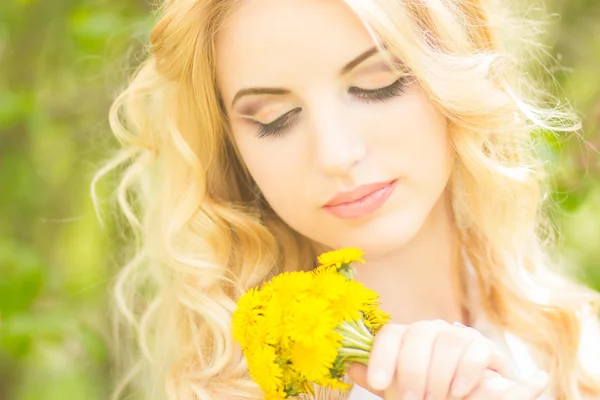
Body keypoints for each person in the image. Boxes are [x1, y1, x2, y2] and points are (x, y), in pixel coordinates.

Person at [93, 0, 600, 399]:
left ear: (455, 72)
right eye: (275, 119)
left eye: (377, 85)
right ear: (232, 150)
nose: (336, 153)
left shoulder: (576, 343)